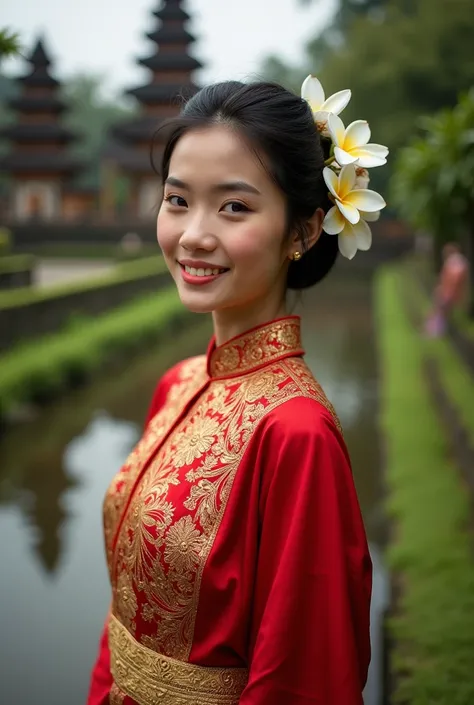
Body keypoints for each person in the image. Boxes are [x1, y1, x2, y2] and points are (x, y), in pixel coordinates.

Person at [87, 74, 388, 705]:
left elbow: (304, 680)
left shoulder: (297, 435)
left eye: (234, 206)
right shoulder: (179, 383)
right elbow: (122, 623)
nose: (194, 234)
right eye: (177, 200)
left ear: (304, 232)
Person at [425, 242, 469, 337]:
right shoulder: (456, 262)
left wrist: (445, 290)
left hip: (449, 292)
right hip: (449, 292)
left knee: (441, 310)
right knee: (442, 311)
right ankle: (438, 330)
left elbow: (453, 279)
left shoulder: (455, 263)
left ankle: (436, 331)